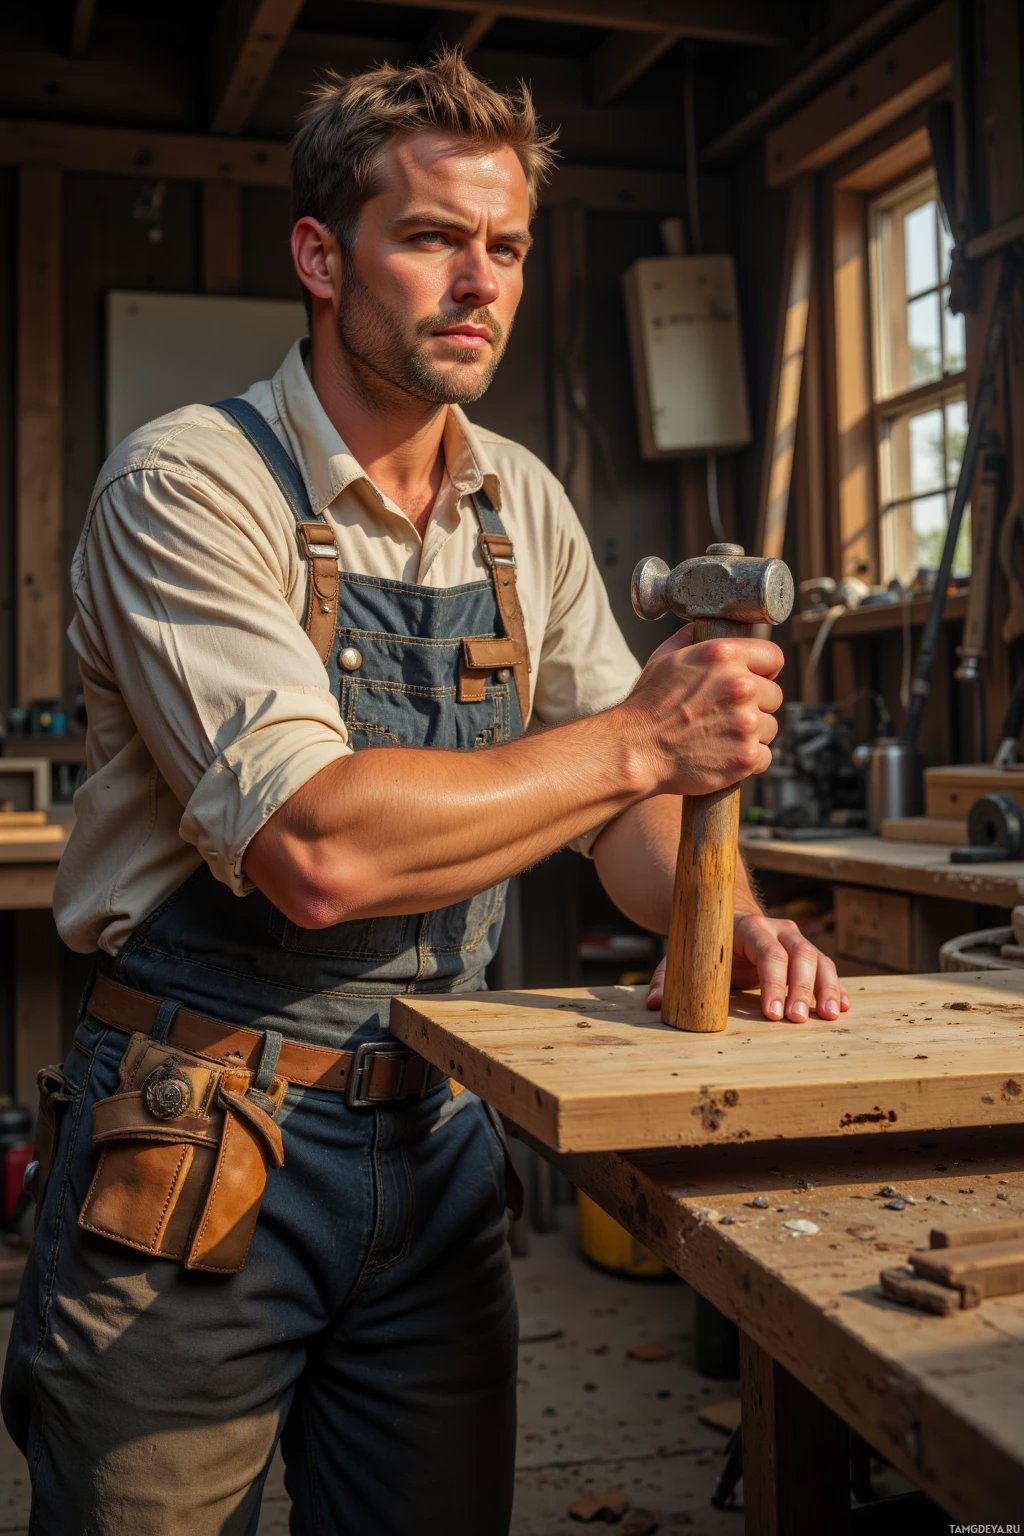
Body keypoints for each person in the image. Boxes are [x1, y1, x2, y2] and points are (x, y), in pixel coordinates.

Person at [2, 51, 848, 1536]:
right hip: (206, 1143)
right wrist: (648, 739)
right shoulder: (190, 484)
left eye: (506, 247)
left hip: (442, 1140)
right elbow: (314, 848)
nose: (480, 284)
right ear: (321, 256)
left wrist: (731, 911)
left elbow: (622, 819)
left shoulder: (522, 502)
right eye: (433, 239)